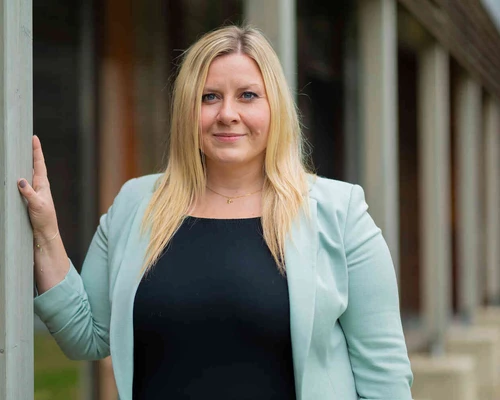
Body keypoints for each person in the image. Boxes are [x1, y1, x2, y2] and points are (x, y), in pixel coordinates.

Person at [18, 25, 413, 400]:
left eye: (248, 95)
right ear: (187, 110)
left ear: (276, 106)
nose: (227, 113)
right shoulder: (136, 204)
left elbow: (385, 378)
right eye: (209, 97)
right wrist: (47, 233)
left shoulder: (339, 214)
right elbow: (86, 336)